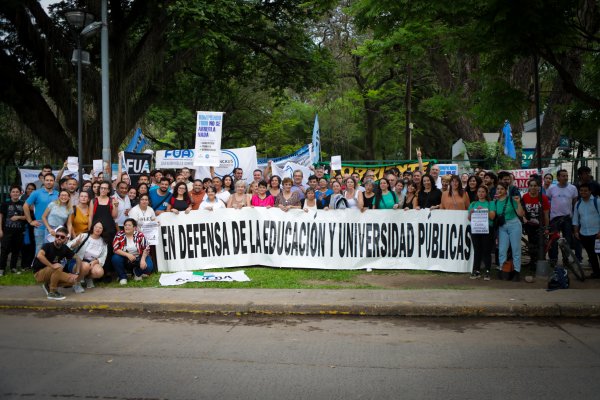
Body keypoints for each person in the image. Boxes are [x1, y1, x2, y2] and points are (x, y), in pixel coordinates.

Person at [32, 226, 79, 300]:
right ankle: (52, 292)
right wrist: (52, 266)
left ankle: (48, 285)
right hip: (39, 273)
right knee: (59, 266)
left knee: (73, 280)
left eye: (62, 237)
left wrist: (77, 273)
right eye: (57, 236)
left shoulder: (64, 248)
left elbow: (77, 258)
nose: (59, 238)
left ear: (66, 239)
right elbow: (39, 256)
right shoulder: (47, 246)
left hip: (54, 272)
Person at [492, 182, 525, 281]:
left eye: (502, 189)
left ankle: (516, 271)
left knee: (516, 249)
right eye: (498, 189)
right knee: (502, 249)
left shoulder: (511, 199)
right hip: (503, 227)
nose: (499, 190)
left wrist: (519, 203)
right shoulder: (496, 202)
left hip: (514, 224)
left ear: (506, 190)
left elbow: (521, 214)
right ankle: (503, 270)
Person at [546, 169, 579, 265]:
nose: (565, 177)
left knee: (567, 239)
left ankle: (566, 258)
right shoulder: (551, 188)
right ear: (558, 177)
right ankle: (553, 259)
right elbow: (547, 200)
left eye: (566, 175)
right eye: (563, 176)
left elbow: (575, 204)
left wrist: (574, 217)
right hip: (554, 218)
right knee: (553, 239)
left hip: (567, 218)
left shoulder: (573, 188)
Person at [67, 221, 108, 292]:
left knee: (99, 272)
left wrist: (96, 261)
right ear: (92, 227)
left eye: (100, 228)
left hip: (91, 262)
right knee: (85, 266)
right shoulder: (84, 236)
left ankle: (87, 278)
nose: (98, 229)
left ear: (103, 230)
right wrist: (75, 244)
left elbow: (103, 256)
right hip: (77, 261)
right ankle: (76, 283)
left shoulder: (103, 242)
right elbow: (68, 246)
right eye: (96, 227)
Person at [24, 173, 60, 255]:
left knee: (52, 248)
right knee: (39, 248)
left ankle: (49, 267)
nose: (49, 182)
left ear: (54, 182)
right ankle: (38, 267)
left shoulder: (58, 194)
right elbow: (25, 206)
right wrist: (30, 221)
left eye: (51, 180)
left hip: (54, 226)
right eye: (47, 180)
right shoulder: (36, 193)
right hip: (40, 225)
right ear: (43, 181)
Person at [111, 218, 153, 285]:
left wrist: (142, 259)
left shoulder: (139, 235)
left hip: (138, 257)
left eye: (129, 225)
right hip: (125, 258)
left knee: (149, 267)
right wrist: (128, 255)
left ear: (134, 227)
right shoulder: (119, 235)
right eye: (125, 225)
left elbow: (146, 248)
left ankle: (137, 273)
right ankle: (123, 277)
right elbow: (115, 249)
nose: (127, 227)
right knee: (115, 258)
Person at [521, 179, 550, 271]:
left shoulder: (543, 198)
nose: (533, 187)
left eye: (535, 185)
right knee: (532, 245)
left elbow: (546, 214)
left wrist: (546, 227)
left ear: (538, 187)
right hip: (529, 226)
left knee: (542, 244)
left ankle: (541, 261)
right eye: (531, 185)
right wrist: (524, 218)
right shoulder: (524, 197)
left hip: (540, 225)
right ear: (528, 187)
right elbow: (522, 211)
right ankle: (533, 263)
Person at [468, 185, 495, 280]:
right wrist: (472, 212)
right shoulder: (473, 204)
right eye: (479, 191)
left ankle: (488, 271)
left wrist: (483, 211)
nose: (481, 193)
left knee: (486, 251)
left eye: (483, 191)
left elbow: (492, 217)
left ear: (486, 193)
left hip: (487, 229)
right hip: (475, 230)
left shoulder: (490, 203)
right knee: (477, 250)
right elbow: (469, 218)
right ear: (477, 193)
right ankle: (476, 270)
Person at [573, 183, 600, 279]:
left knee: (599, 253)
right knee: (591, 255)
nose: (583, 192)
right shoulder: (578, 203)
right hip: (584, 234)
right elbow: (576, 219)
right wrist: (576, 231)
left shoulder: (597, 202)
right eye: (581, 191)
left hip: (597, 234)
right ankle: (596, 273)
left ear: (590, 191)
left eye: (585, 190)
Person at [0, 185, 27, 276]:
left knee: (16, 250)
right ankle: (1, 268)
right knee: (4, 250)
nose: (15, 193)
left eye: (17, 192)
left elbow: (27, 217)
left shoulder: (23, 204)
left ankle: (13, 267)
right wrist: (0, 229)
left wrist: (18, 217)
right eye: (13, 192)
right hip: (6, 231)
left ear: (20, 193)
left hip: (19, 231)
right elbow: (1, 217)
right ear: (10, 193)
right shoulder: (5, 204)